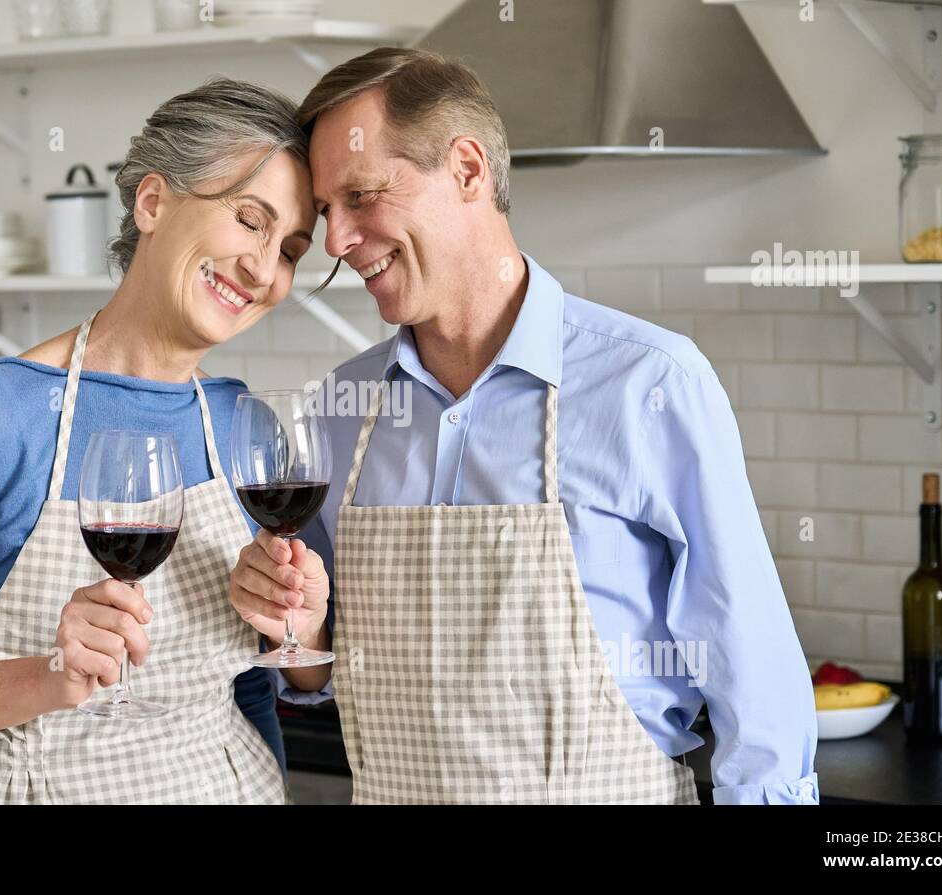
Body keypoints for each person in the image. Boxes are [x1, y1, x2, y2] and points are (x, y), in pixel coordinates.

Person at [228, 48, 819, 805]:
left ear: (468, 169)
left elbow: (755, 670)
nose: (337, 240)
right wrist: (293, 630)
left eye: (361, 196)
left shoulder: (648, 385)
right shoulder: (342, 411)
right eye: (327, 212)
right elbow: (313, 667)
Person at [0, 78, 318, 804]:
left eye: (291, 249)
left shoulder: (240, 422)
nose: (264, 269)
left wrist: (297, 624)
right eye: (250, 219)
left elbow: (245, 692)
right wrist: (51, 678)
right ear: (152, 202)